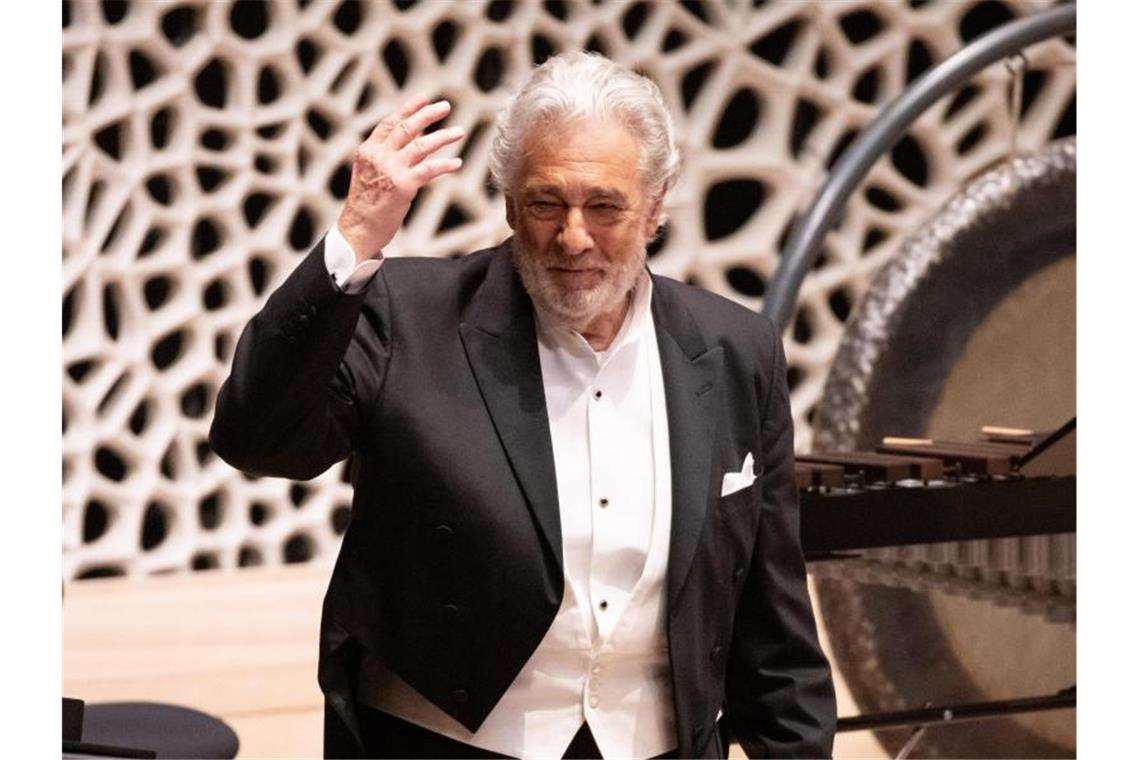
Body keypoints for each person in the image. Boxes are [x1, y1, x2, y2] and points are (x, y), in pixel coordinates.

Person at [210, 52, 835, 759]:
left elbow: (773, 623)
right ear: (509, 204)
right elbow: (256, 437)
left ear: (656, 206)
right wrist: (356, 235)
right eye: (545, 204)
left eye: (605, 206)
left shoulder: (736, 349)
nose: (573, 238)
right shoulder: (408, 317)